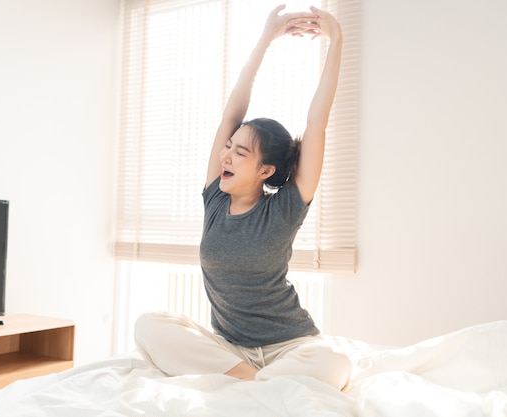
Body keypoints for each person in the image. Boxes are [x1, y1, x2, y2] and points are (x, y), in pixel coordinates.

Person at [134, 4, 351, 390]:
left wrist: (336, 41)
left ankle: (246, 383)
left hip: (290, 345)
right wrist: (266, 38)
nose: (226, 155)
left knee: (334, 361)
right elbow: (232, 112)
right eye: (228, 147)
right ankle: (255, 382)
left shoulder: (285, 206)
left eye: (240, 152)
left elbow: (317, 121)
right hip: (229, 349)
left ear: (265, 171)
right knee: (148, 325)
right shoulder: (215, 197)